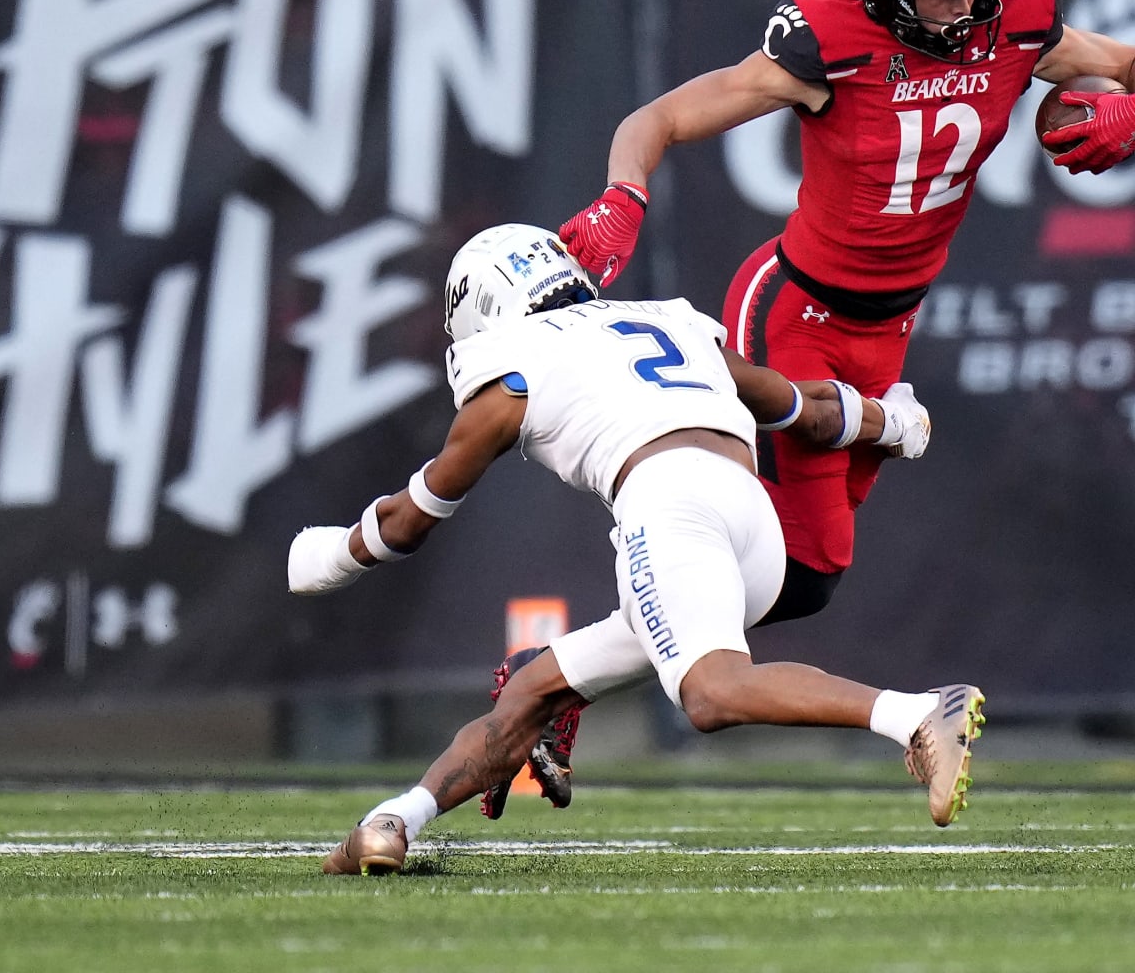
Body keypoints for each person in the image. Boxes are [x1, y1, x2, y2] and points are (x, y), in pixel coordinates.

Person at [529, 0, 1135, 805]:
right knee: (790, 562)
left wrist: (1122, 105)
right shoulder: (827, 40)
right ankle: (556, 683)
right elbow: (659, 119)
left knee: (802, 575)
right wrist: (623, 194)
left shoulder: (1016, 9)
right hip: (791, 312)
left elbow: (1116, 64)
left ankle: (553, 676)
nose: (963, 4)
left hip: (889, 325)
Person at [287, 222, 981, 877]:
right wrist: (892, 422)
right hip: (751, 522)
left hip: (671, 502)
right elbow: (804, 409)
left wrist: (336, 555)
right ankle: (392, 822)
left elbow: (408, 523)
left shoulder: (508, 371)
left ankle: (916, 713)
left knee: (710, 695)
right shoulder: (669, 321)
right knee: (532, 693)